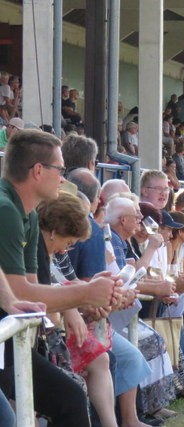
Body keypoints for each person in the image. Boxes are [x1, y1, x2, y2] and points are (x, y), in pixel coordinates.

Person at [0, 130, 119, 427]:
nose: (64, 180)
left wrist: (84, 294)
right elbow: (20, 292)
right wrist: (86, 294)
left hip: (10, 344)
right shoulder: (6, 209)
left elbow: (29, 290)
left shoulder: (26, 213)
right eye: (60, 170)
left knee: (69, 398)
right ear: (38, 171)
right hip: (6, 345)